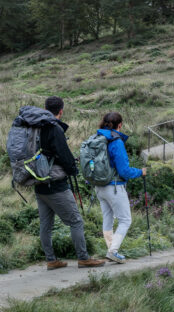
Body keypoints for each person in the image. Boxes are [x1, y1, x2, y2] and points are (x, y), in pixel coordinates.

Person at [31, 97, 105, 270]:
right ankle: (83, 258)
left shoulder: (36, 127)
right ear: (61, 111)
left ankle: (51, 260)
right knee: (76, 221)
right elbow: (63, 155)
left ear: (45, 108)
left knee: (46, 225)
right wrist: (73, 169)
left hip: (39, 182)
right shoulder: (54, 128)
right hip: (55, 184)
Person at [95, 111, 145, 263]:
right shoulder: (116, 142)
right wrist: (140, 172)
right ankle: (113, 250)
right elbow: (124, 171)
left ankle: (111, 250)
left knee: (108, 218)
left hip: (99, 186)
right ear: (120, 125)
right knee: (125, 220)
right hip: (114, 187)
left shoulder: (99, 138)